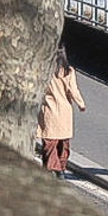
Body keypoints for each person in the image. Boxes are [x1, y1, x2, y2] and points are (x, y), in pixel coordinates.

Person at [38, 46, 88, 177]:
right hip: (65, 111)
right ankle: (61, 167)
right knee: (63, 142)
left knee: (49, 142)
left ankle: (52, 167)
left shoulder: (44, 70)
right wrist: (81, 104)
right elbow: (73, 90)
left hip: (49, 109)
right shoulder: (68, 71)